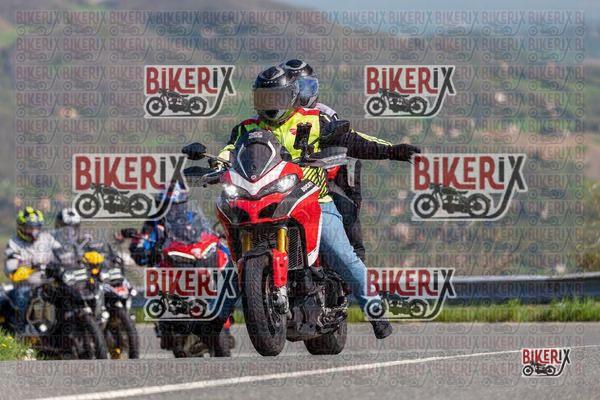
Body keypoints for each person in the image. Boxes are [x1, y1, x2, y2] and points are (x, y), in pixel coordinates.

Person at [219, 65, 420, 339]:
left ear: (291, 96)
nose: (270, 105)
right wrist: (216, 164)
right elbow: (229, 152)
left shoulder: (313, 120)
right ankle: (214, 323)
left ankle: (376, 312)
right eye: (264, 99)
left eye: (276, 98)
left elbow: (353, 140)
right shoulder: (246, 128)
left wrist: (391, 150)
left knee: (343, 255)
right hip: (263, 200)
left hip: (312, 199)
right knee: (221, 250)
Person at [4, 207, 61, 334]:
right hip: (28, 284)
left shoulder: (47, 238)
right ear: (21, 227)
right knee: (21, 296)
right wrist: (22, 270)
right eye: (29, 228)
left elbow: (61, 251)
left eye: (36, 228)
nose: (33, 232)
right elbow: (10, 266)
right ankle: (20, 333)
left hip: (51, 280)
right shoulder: (14, 243)